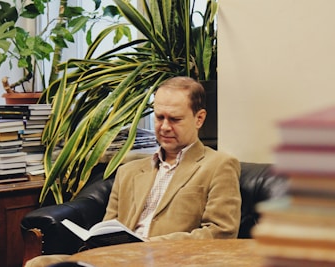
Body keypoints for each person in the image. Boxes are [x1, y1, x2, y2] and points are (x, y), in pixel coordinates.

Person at [25, 76, 241, 266]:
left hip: (167, 260)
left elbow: (220, 234)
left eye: (174, 119)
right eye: (159, 117)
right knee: (40, 263)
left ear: (199, 118)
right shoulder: (128, 171)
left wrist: (149, 245)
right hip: (116, 260)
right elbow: (107, 230)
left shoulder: (219, 166)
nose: (164, 127)